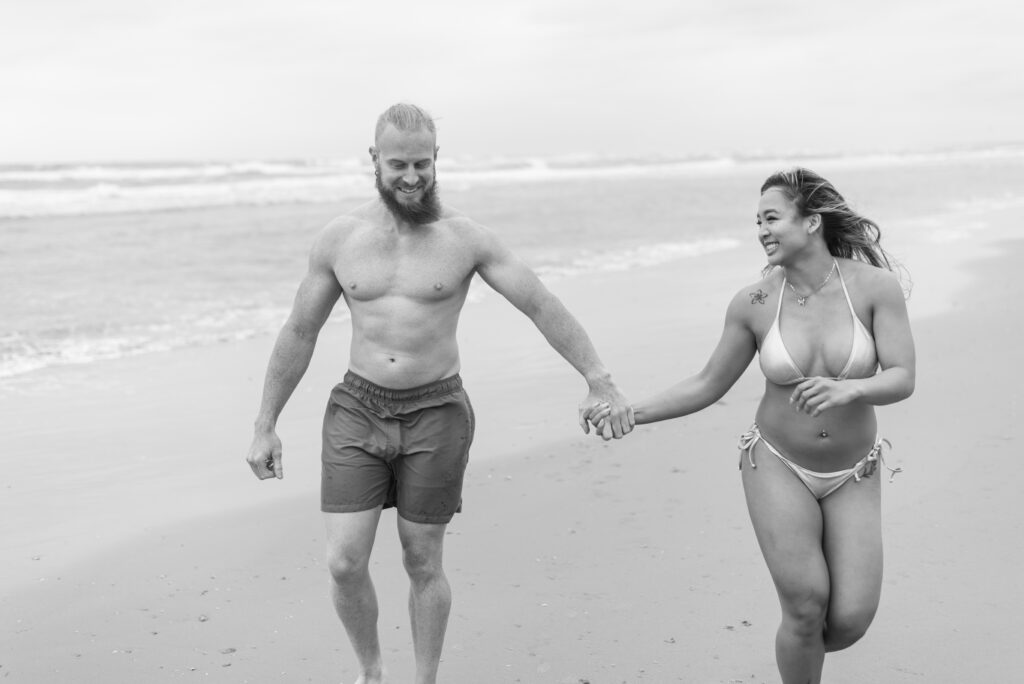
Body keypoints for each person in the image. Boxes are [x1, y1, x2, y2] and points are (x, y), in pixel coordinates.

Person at [244, 103, 633, 684]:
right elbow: (300, 330)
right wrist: (264, 422)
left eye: (421, 164)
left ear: (436, 160)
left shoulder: (464, 239)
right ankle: (372, 672)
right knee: (345, 561)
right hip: (357, 407)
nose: (410, 177)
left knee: (422, 558)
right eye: (398, 163)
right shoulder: (339, 239)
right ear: (374, 160)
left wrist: (597, 376)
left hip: (436, 409)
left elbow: (538, 302)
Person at [587, 168, 915, 683]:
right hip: (777, 464)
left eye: (772, 218)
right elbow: (707, 383)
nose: (761, 230)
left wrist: (852, 387)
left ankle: (799, 647)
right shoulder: (755, 302)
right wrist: (633, 412)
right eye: (756, 221)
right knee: (806, 606)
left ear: (811, 222)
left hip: (855, 470)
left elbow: (902, 377)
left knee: (849, 619)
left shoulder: (874, 288)